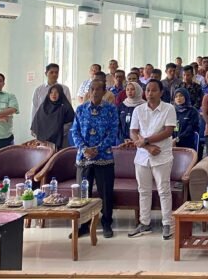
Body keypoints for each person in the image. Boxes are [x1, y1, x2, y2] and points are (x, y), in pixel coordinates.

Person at [128, 79, 177, 240]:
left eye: (154, 90)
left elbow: (168, 131)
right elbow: (133, 132)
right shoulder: (138, 109)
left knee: (164, 191)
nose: (150, 93)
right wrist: (147, 147)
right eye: (147, 90)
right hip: (142, 156)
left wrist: (146, 140)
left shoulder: (168, 108)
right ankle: (144, 223)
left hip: (162, 155)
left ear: (161, 92)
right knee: (143, 191)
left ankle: (167, 223)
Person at [70, 80, 117, 238]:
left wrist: (97, 149)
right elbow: (75, 131)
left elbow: (113, 133)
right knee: (83, 193)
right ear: (89, 91)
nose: (95, 92)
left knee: (106, 192)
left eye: (98, 89)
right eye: (92, 89)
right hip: (84, 157)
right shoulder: (81, 109)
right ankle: (83, 224)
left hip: (104, 156)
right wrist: (84, 149)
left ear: (104, 92)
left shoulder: (111, 109)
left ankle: (106, 223)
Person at [30, 84, 75, 150]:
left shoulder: (65, 107)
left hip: (61, 141)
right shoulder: (43, 107)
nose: (53, 94)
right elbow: (37, 122)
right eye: (51, 92)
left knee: (58, 156)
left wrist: (56, 131)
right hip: (43, 142)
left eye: (56, 92)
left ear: (60, 94)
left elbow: (70, 123)